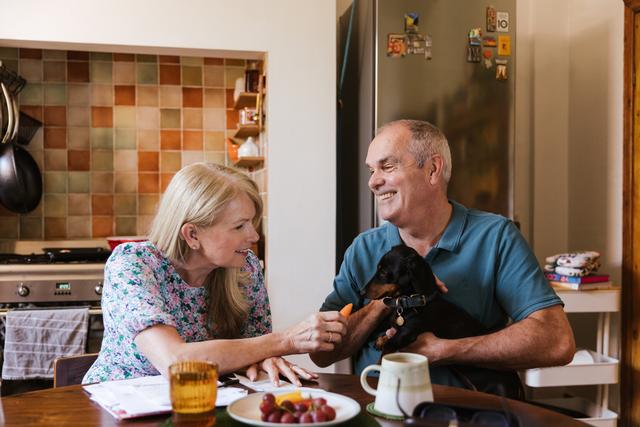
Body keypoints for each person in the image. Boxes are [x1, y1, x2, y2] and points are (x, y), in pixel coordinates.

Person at [311, 120, 575, 389]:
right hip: (379, 410)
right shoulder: (363, 249)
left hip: (472, 415)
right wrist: (385, 303)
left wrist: (443, 350)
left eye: (387, 167)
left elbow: (557, 341)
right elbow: (321, 353)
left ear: (433, 170)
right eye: (371, 170)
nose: (373, 181)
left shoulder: (496, 237)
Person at [84, 163, 346, 386]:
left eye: (252, 223)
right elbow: (176, 363)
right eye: (239, 226)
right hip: (117, 407)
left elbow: (257, 348)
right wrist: (288, 340)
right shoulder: (133, 264)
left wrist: (264, 357)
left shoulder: (245, 267)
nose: (253, 236)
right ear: (193, 234)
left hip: (204, 403)